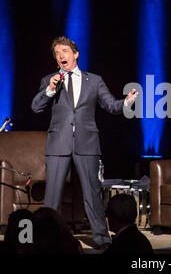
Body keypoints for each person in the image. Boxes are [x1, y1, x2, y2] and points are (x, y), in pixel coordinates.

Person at [31, 36, 137, 250]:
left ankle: (102, 239)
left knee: (92, 193)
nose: (61, 55)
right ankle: (45, 241)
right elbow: (36, 107)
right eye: (57, 53)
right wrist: (50, 89)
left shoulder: (94, 81)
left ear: (75, 54)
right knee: (52, 196)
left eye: (65, 51)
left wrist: (126, 103)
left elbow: (111, 106)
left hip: (87, 142)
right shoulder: (50, 80)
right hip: (58, 144)